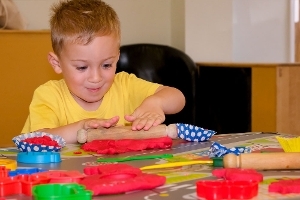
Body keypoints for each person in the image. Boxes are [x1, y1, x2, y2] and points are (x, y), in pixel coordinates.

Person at [22, 0, 185, 143]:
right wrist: (81, 127)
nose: (96, 78)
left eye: (106, 65)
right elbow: (37, 139)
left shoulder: (124, 85)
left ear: (117, 58)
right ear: (57, 63)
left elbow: (177, 97)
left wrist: (155, 103)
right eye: (82, 67)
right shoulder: (49, 95)